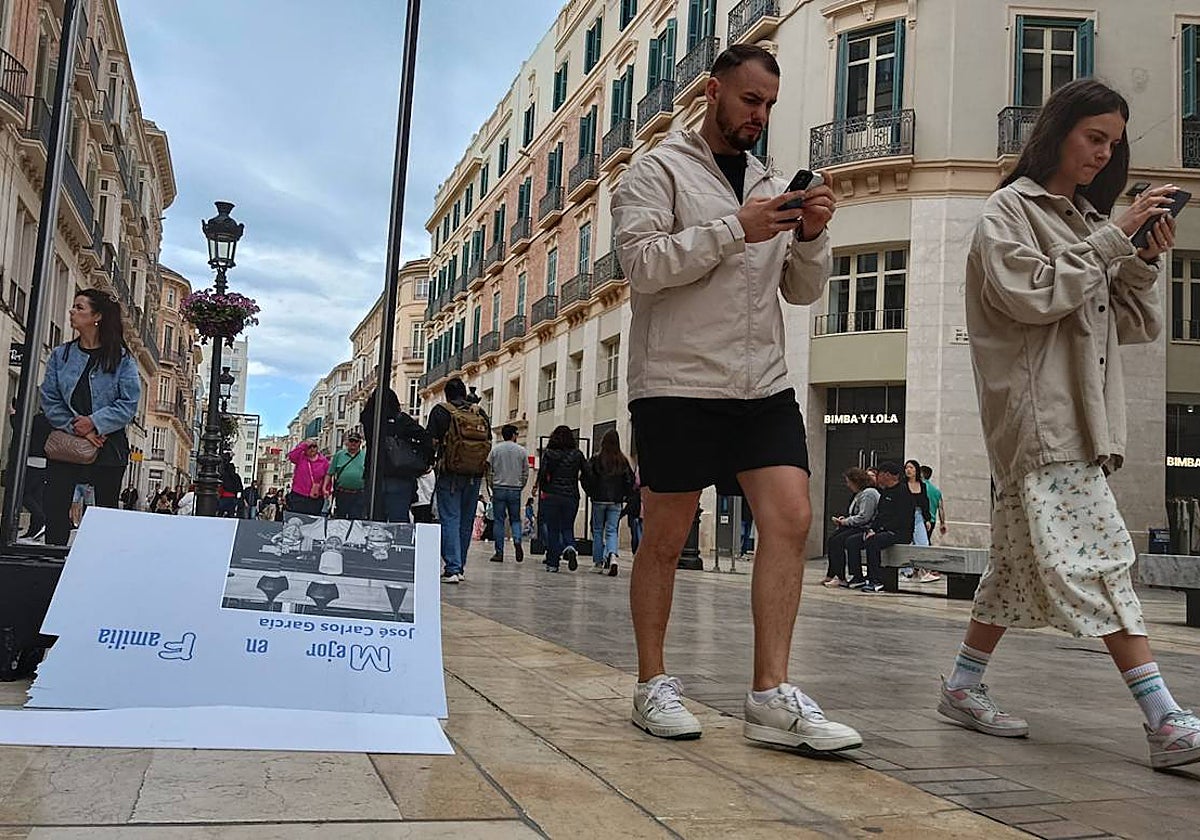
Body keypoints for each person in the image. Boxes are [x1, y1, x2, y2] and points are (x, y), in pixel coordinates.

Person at [940, 77, 1200, 770]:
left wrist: (1140, 257)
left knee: (1014, 567)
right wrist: (1116, 237)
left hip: (1084, 421)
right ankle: (1165, 719)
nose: (1102, 154)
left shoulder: (1088, 222)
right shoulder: (1008, 211)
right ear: (1057, 131)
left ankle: (962, 686)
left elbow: (1137, 325)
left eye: (1112, 144)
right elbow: (1033, 296)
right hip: (1040, 419)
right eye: (1094, 138)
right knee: (1104, 559)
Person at [611, 44, 859, 750]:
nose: (760, 116)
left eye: (771, 105)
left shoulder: (769, 181)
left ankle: (770, 695)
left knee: (791, 516)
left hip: (763, 382)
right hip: (677, 381)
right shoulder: (655, 170)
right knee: (664, 538)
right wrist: (734, 229)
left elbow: (803, 291)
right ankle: (651, 684)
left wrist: (810, 234)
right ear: (713, 91)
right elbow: (644, 267)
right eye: (751, 100)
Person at [40, 289, 140, 546]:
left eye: (79, 307)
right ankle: (53, 563)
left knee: (104, 515)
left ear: (97, 316)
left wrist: (96, 421)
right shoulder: (61, 356)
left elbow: (128, 404)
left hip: (108, 447)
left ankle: (99, 564)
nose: (72, 311)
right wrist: (80, 428)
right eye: (73, 306)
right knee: (55, 509)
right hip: (67, 445)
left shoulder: (122, 359)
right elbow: (49, 398)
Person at [426, 378, 490, 583]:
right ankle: (459, 566)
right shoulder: (479, 412)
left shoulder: (441, 411)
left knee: (450, 518)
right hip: (474, 474)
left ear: (446, 394)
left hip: (450, 473)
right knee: (465, 521)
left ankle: (452, 568)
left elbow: (431, 441)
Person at [361, 386, 431, 523]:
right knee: (399, 522)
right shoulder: (402, 420)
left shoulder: (369, 420)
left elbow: (366, 415)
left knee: (374, 522)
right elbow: (425, 437)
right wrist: (420, 459)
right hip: (400, 476)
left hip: (374, 476)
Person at [842, 462, 914, 592]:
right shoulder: (885, 492)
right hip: (881, 531)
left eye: (879, 474)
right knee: (852, 541)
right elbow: (880, 515)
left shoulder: (903, 492)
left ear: (887, 475)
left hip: (898, 532)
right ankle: (857, 577)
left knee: (872, 542)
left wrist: (879, 531)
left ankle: (875, 579)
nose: (877, 477)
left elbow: (901, 518)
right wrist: (872, 529)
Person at [583, 429, 634, 577]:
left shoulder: (596, 459)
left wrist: (591, 493)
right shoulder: (622, 460)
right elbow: (629, 481)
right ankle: (612, 557)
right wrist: (625, 496)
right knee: (612, 530)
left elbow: (585, 477)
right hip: (615, 501)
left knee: (598, 530)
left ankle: (598, 563)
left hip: (598, 499)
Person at [537, 425, 585, 573]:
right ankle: (570, 547)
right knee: (567, 526)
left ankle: (553, 563)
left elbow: (543, 474)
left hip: (552, 495)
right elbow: (587, 472)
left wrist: (544, 489)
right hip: (571, 496)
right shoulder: (578, 454)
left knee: (553, 529)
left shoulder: (549, 454)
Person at [823, 467, 879, 587]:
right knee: (833, 539)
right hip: (856, 526)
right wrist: (845, 520)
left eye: (849, 482)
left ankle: (842, 576)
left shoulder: (869, 494)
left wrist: (846, 522)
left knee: (839, 541)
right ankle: (834, 574)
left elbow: (864, 517)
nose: (848, 485)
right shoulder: (859, 494)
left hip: (864, 527)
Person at [487, 424, 528, 563]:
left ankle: (499, 552)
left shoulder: (495, 450)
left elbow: (489, 470)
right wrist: (520, 485)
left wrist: (492, 485)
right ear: (514, 435)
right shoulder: (522, 451)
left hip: (498, 487)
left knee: (498, 520)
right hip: (515, 488)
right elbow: (525, 472)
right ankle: (517, 539)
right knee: (515, 519)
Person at [15, 408, 51, 541]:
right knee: (37, 496)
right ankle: (34, 528)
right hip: (46, 463)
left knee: (22, 494)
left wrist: (14, 415)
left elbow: (21, 430)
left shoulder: (37, 419)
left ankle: (41, 518)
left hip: (32, 461)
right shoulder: (56, 421)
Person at [902, 459, 938, 584]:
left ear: (916, 470)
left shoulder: (922, 485)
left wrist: (927, 519)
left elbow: (925, 503)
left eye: (911, 467)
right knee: (907, 543)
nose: (908, 470)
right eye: (907, 468)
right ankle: (907, 570)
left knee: (923, 542)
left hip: (918, 516)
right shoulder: (902, 485)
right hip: (904, 516)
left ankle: (924, 571)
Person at [324, 432, 367, 520]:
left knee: (355, 519)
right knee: (340, 519)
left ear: (360, 443)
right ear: (347, 442)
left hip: (359, 494)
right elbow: (329, 473)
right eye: (351, 441)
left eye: (356, 441)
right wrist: (325, 488)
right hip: (342, 493)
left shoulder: (365, 456)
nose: (353, 443)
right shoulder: (339, 455)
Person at [286, 439, 329, 515]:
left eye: (314, 446)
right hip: (299, 495)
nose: (312, 449)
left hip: (315, 497)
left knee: (312, 522)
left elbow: (327, 476)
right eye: (309, 447)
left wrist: (325, 490)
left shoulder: (323, 461)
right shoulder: (301, 458)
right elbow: (291, 456)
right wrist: (303, 445)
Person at [919, 465, 948, 542]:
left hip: (921, 519)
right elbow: (941, 508)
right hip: (932, 520)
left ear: (921, 474)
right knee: (926, 540)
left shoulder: (919, 487)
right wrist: (942, 523)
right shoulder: (936, 491)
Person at [623, 465, 643, 555]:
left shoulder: (639, 468)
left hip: (637, 505)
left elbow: (637, 482)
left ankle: (638, 551)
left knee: (636, 529)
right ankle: (639, 550)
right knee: (640, 529)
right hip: (641, 505)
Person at [217, 452, 243, 518]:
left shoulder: (224, 475)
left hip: (224, 496)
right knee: (231, 514)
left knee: (220, 513)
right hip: (232, 497)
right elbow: (240, 488)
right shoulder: (236, 477)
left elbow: (220, 485)